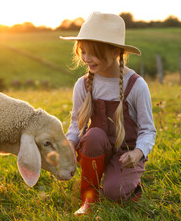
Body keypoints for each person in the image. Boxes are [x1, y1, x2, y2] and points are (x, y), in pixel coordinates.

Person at [60, 12, 156, 216]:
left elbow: (148, 130)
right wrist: (70, 143)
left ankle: (126, 184)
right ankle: (89, 198)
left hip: (126, 154)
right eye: (83, 51)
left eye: (93, 53)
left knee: (115, 193)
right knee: (93, 134)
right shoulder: (83, 84)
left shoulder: (136, 86)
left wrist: (138, 153)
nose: (86, 59)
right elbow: (76, 124)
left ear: (114, 52)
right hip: (96, 148)